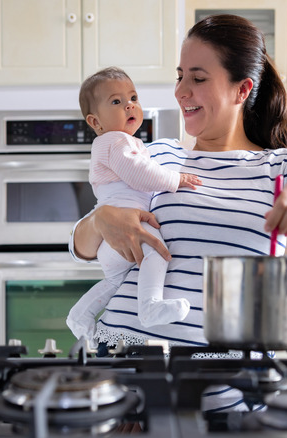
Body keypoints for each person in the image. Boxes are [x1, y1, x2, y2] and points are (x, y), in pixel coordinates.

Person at [69, 14, 287, 352]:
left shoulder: (281, 167)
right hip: (119, 353)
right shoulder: (155, 156)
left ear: (242, 89)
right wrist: (100, 219)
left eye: (198, 78)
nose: (181, 91)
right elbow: (82, 249)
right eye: (180, 77)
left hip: (223, 372)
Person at [66, 67, 203, 342]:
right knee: (155, 252)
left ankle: (79, 315)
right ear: (95, 122)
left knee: (116, 281)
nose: (129, 105)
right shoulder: (115, 142)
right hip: (126, 227)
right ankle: (150, 307)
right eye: (116, 102)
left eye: (133, 97)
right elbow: (139, 174)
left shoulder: (121, 143)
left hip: (112, 242)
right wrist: (176, 179)